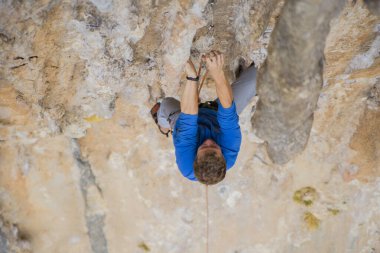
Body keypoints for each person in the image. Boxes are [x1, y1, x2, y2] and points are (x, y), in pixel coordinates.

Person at [151, 51, 257, 185]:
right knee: (257, 76)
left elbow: (188, 118)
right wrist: (217, 72)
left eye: (203, 147)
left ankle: (163, 126)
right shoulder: (229, 151)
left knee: (166, 104)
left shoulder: (186, 160)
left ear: (195, 157)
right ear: (222, 156)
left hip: (184, 123)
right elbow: (227, 113)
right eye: (214, 146)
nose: (208, 141)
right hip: (215, 114)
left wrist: (192, 77)